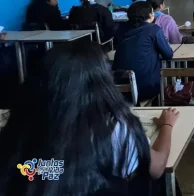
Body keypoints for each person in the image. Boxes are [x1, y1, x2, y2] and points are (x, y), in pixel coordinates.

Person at [0, 40, 179, 196]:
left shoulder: (21, 122)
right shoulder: (113, 128)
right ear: (101, 81)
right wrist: (167, 126)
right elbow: (157, 168)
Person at [113, 2, 173, 101]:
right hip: (146, 88)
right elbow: (168, 55)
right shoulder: (154, 29)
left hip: (119, 87)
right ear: (149, 15)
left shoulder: (120, 29)